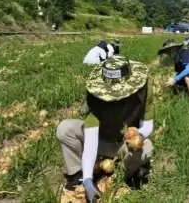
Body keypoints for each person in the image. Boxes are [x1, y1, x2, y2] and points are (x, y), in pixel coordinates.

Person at [56, 56, 155, 201]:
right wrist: (88, 180)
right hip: (100, 141)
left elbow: (147, 125)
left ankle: (119, 175)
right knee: (65, 128)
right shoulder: (96, 97)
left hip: (123, 146)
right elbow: (90, 140)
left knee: (147, 147)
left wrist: (135, 136)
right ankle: (79, 175)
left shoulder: (143, 89)